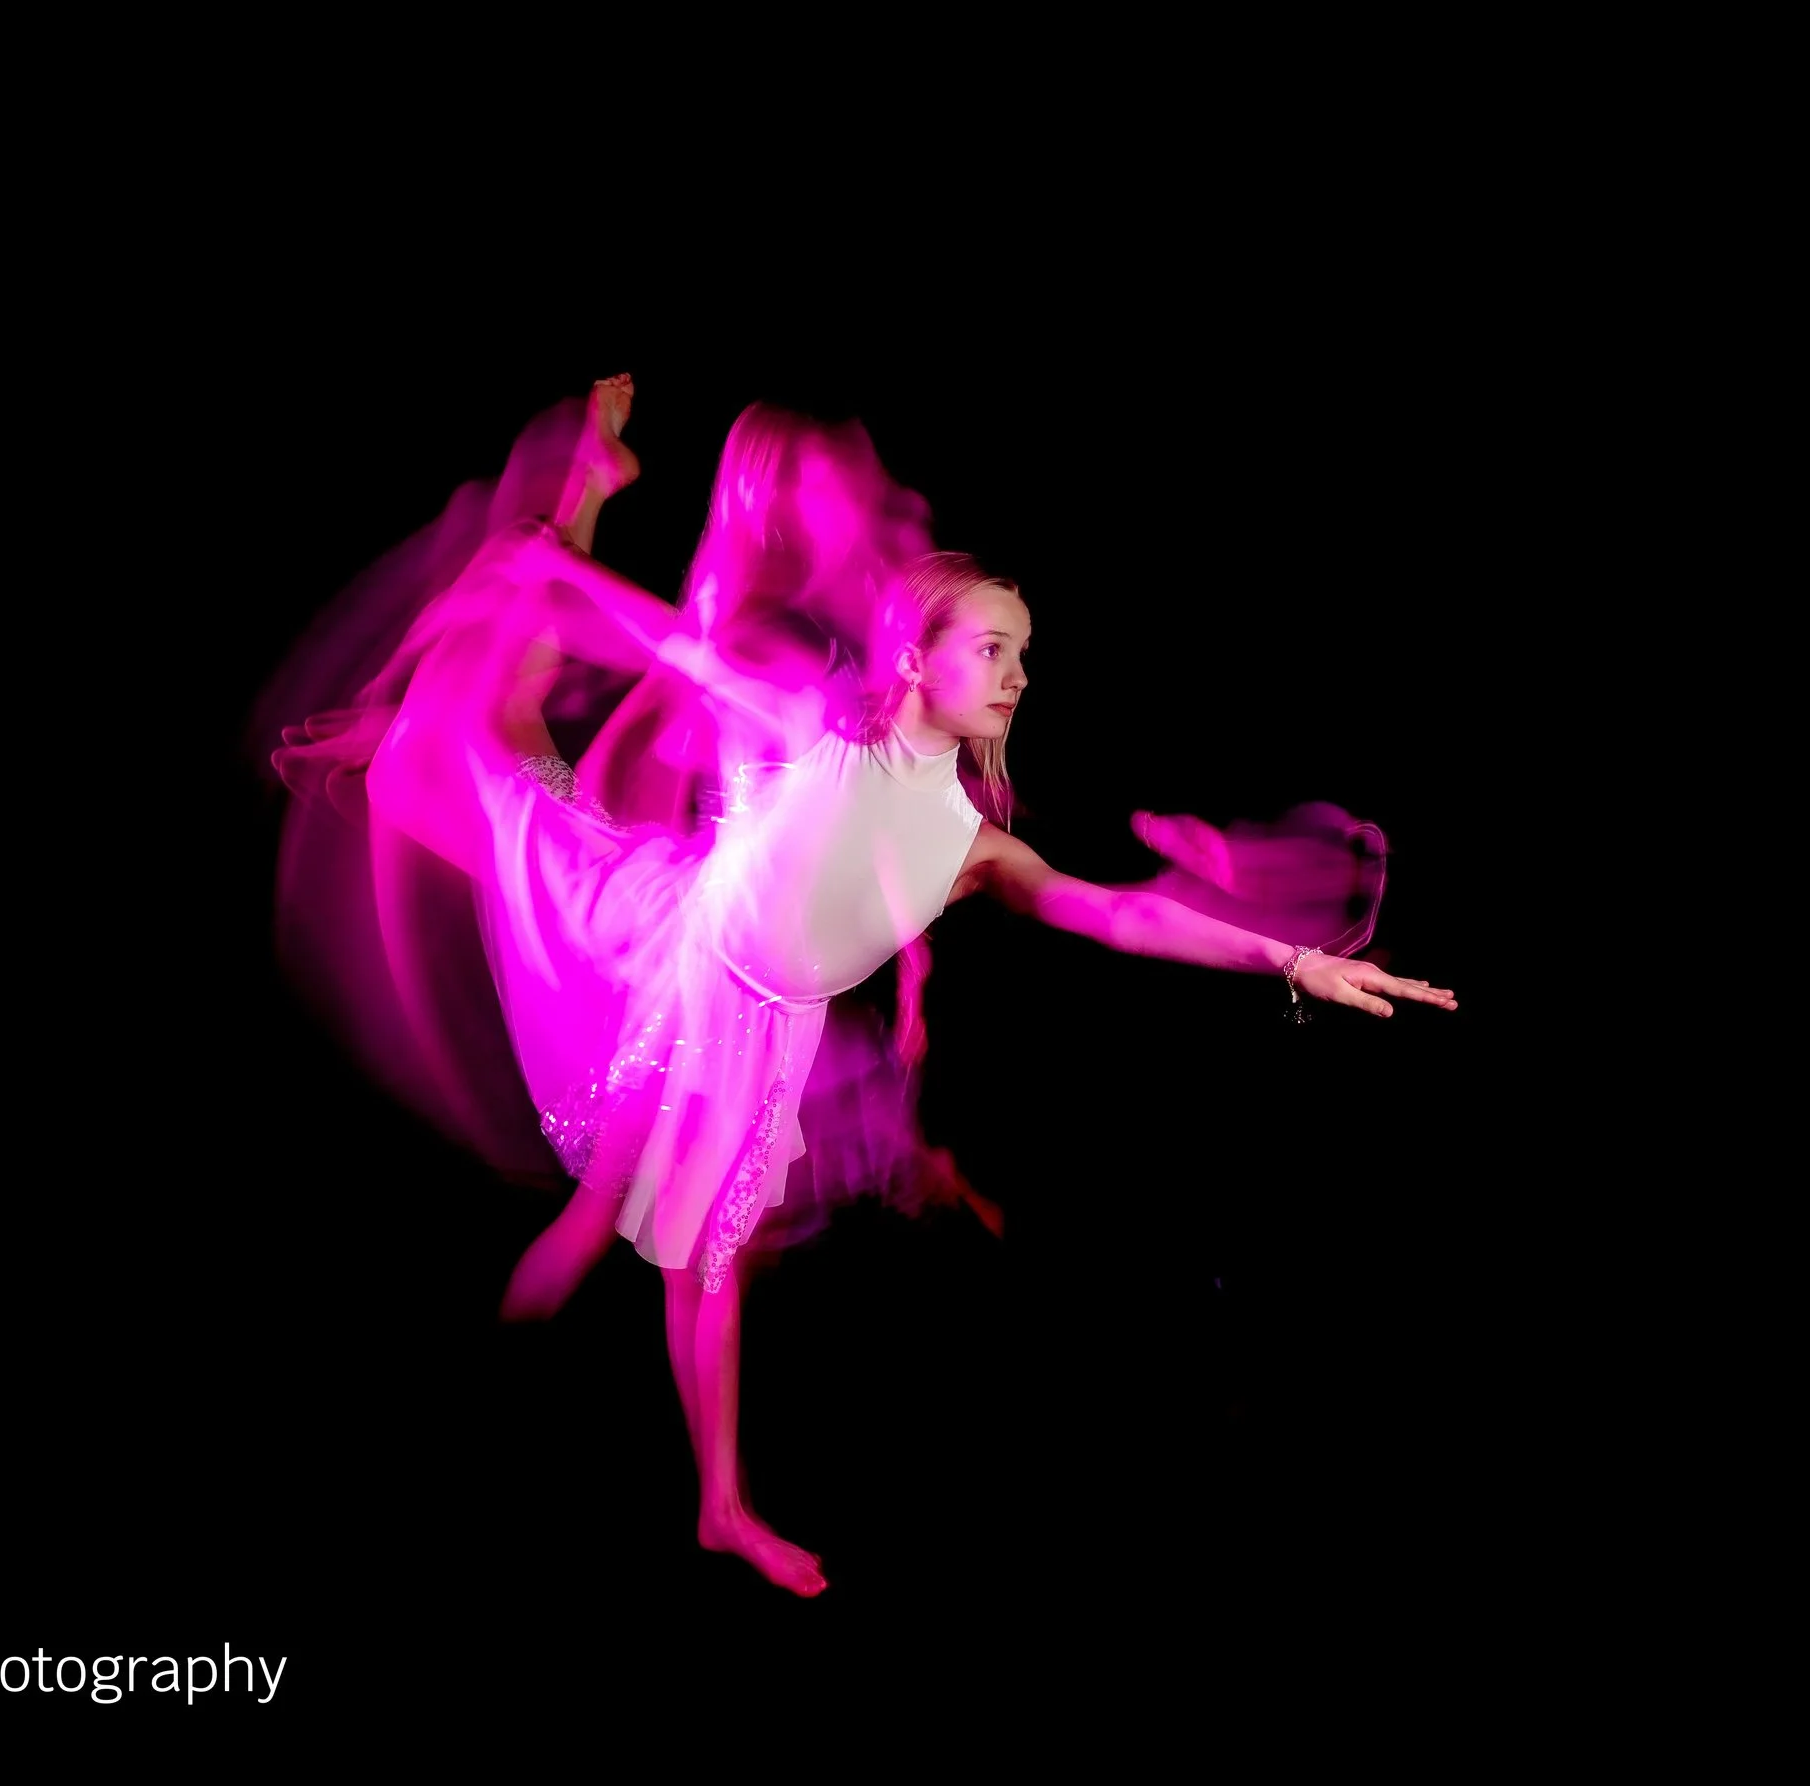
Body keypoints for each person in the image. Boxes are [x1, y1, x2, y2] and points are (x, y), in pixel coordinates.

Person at [280, 376, 1456, 1596]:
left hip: (760, 1033)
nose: (1015, 676)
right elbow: (662, 640)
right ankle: (545, 530)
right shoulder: (813, 725)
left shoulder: (973, 845)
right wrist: (546, 578)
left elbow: (1124, 915)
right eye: (993, 649)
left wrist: (1288, 957)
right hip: (675, 940)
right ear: (920, 655)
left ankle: (720, 1507)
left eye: (1024, 656)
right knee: (510, 754)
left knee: (706, 1262)